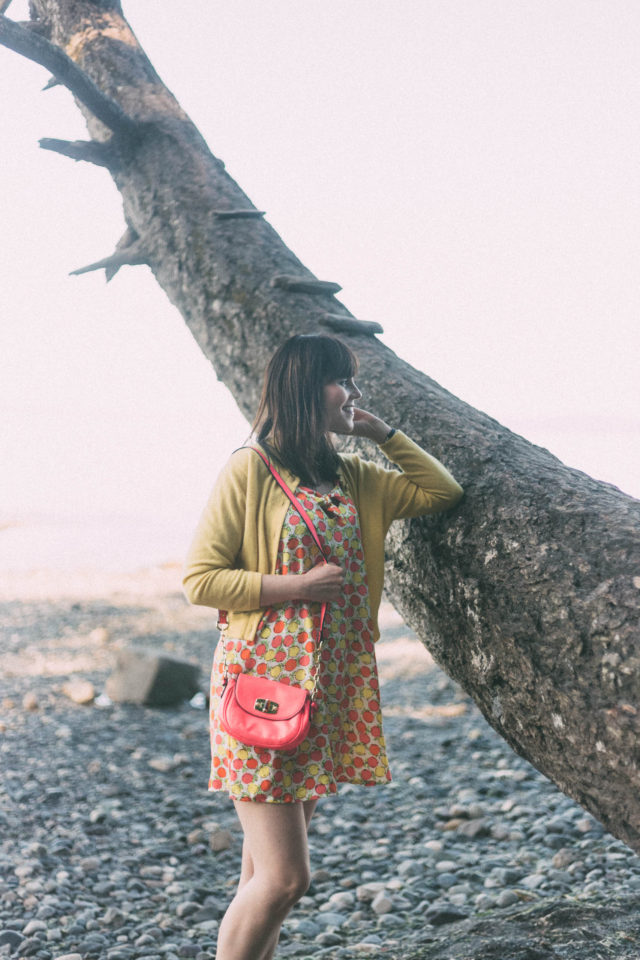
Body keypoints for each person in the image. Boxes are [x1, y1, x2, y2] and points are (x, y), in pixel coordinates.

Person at [182, 333, 463, 960]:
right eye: (343, 381)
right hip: (260, 691)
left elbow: (442, 491)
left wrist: (385, 434)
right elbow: (200, 580)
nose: (354, 393)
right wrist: (297, 586)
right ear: (308, 388)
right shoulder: (250, 468)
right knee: (286, 879)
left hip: (325, 689)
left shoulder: (356, 476)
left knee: (261, 878)